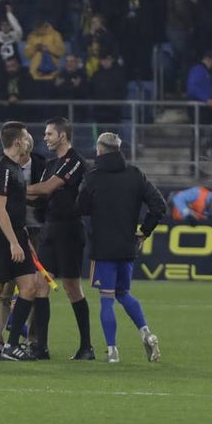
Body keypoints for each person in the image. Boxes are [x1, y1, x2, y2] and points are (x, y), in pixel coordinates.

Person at [76, 132, 166, 363]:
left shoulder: (93, 177)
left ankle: (112, 350)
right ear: (119, 150)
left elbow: (81, 207)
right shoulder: (135, 174)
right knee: (123, 293)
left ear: (99, 151)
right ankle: (145, 332)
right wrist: (144, 230)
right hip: (127, 246)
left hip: (103, 248)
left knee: (107, 299)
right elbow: (159, 206)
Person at [26, 117, 95, 360]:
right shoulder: (50, 163)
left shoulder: (75, 162)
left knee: (72, 288)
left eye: (49, 134)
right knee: (39, 284)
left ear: (62, 136)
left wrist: (17, 189)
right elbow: (39, 194)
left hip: (69, 231)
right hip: (50, 229)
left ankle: (86, 347)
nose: (44, 138)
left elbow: (47, 188)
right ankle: (40, 348)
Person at [0, 121, 41, 361]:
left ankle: (11, 344)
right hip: (1, 239)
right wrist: (13, 242)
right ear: (17, 142)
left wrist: (23, 239)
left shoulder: (16, 169)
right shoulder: (2, 170)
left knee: (30, 287)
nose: (29, 141)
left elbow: (15, 210)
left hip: (17, 236)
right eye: (26, 137)